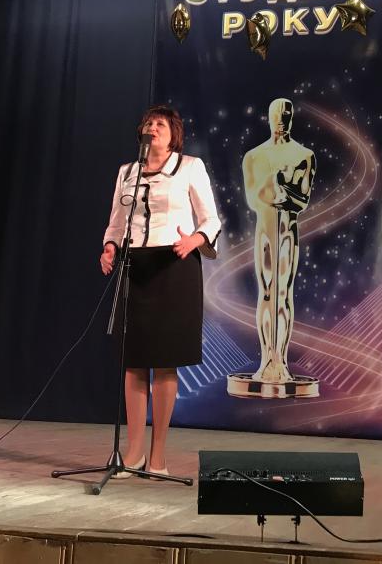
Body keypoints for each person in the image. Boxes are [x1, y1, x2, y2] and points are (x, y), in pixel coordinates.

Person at [100, 105, 221, 477]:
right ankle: (134, 453)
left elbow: (211, 219)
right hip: (135, 266)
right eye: (149, 123)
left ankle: (158, 457)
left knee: (166, 361)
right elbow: (117, 221)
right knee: (134, 361)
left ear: (173, 134)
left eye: (161, 124)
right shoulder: (127, 171)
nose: (153, 127)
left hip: (174, 264)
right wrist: (109, 247)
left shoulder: (190, 166)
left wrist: (195, 240)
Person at [241, 98, 315, 386]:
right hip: (264, 229)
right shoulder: (253, 157)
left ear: (291, 117)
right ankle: (266, 361)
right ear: (269, 117)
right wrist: (273, 185)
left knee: (283, 292)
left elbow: (302, 200)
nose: (280, 119)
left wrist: (281, 188)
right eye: (276, 114)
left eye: (285, 114)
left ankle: (280, 361)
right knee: (266, 292)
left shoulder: (303, 155)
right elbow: (253, 198)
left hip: (287, 230)